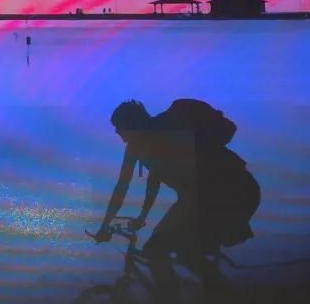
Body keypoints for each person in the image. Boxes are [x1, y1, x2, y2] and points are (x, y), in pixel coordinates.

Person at [93, 99, 261, 288]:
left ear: (133, 124)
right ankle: (216, 294)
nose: (117, 132)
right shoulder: (140, 145)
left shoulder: (165, 130)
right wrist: (139, 217)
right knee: (185, 252)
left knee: (157, 249)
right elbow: (146, 185)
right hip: (219, 194)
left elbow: (126, 186)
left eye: (119, 127)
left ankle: (172, 303)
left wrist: (105, 226)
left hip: (226, 192)